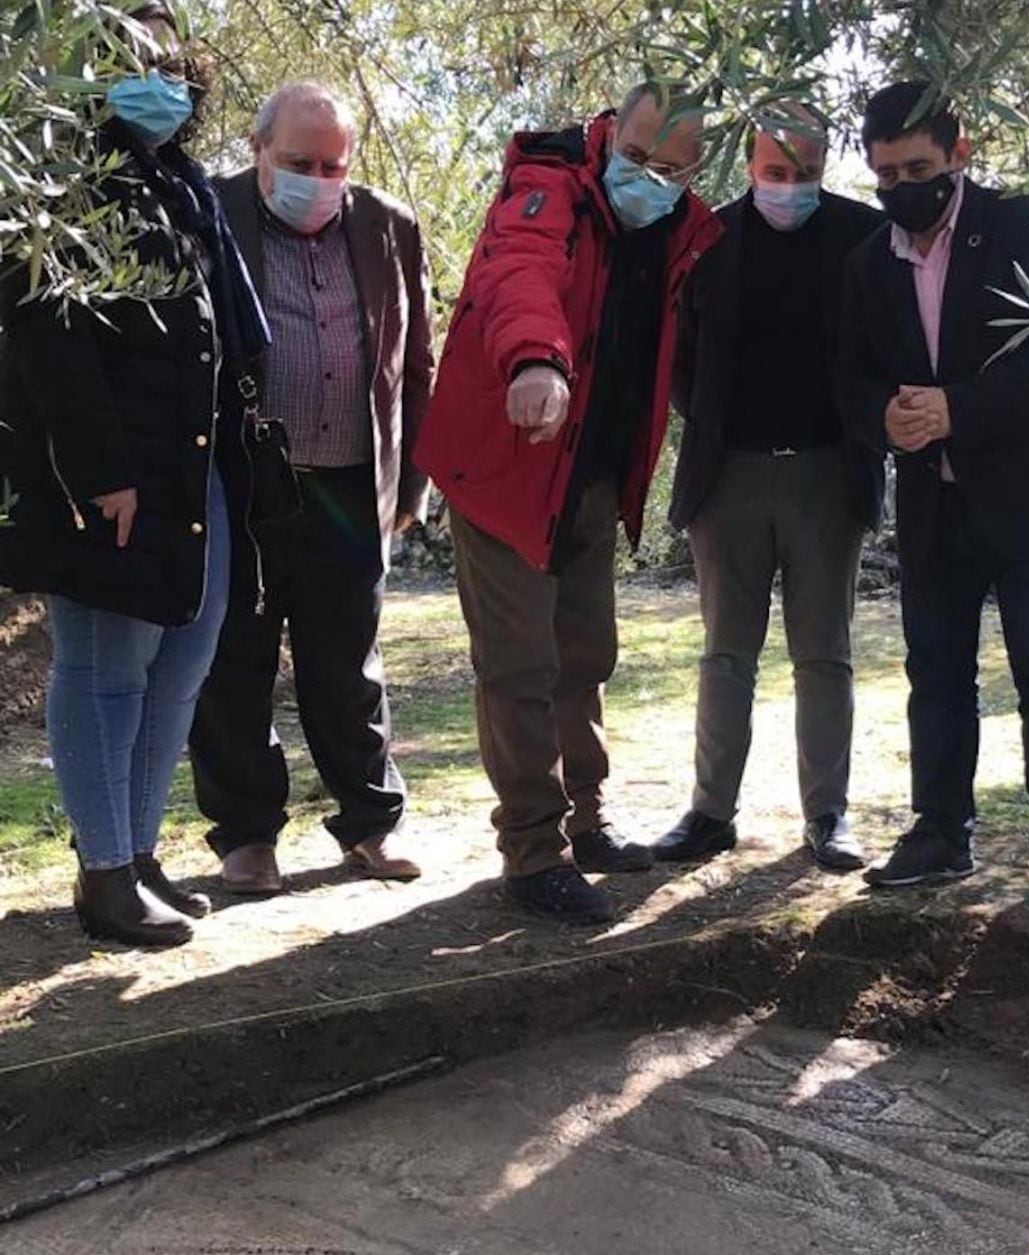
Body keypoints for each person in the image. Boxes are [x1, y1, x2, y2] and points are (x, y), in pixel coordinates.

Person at [414, 83, 722, 925]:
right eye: (636, 156)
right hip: (509, 465)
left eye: (671, 168)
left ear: (695, 170)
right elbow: (519, 270)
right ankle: (533, 851)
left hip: (589, 472)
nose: (649, 178)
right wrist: (535, 360)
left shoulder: (683, 228)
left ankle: (586, 819)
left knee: (585, 654)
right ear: (609, 132)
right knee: (519, 665)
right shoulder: (546, 184)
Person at [0, 3, 270, 946]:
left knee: (179, 667)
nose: (157, 77)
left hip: (197, 466)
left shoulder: (176, 179)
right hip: (111, 473)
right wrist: (100, 470)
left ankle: (138, 852)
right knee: (105, 668)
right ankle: (103, 873)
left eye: (166, 58)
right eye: (129, 57)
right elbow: (48, 337)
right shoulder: (59, 179)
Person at [187, 81, 435, 895]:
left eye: (333, 165)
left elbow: (416, 361)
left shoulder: (388, 226)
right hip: (244, 484)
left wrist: (414, 485)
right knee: (236, 664)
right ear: (259, 152)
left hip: (350, 481)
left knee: (348, 663)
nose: (318, 179)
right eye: (299, 162)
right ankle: (247, 835)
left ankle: (369, 823)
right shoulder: (209, 212)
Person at [838, 81, 1029, 913]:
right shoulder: (868, 262)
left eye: (919, 168)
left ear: (960, 154)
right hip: (935, 511)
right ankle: (941, 830)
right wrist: (883, 418)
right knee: (935, 675)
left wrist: (956, 410)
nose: (903, 188)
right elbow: (850, 381)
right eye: (884, 175)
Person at [657, 107, 883, 871]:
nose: (789, 188)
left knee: (825, 655)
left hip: (828, 473)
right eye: (774, 174)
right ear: (751, 167)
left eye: (805, 175)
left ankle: (828, 815)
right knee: (727, 655)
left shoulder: (862, 235)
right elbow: (680, 358)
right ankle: (710, 813)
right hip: (729, 478)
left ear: (827, 168)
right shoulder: (711, 240)